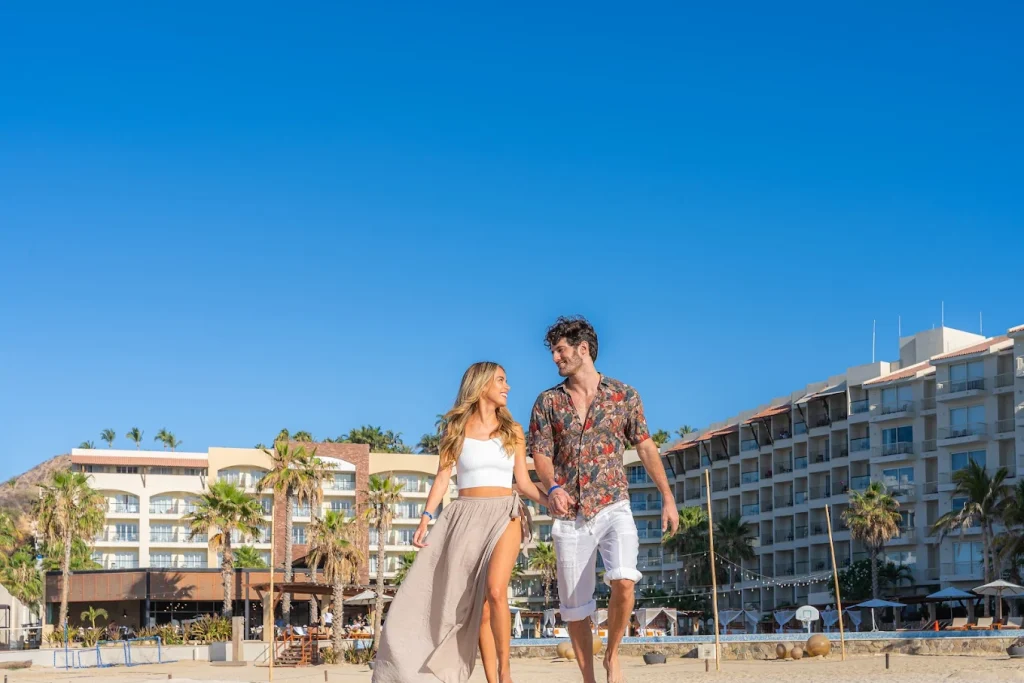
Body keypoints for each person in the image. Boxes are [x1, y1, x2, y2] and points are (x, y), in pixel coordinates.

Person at [373, 362, 549, 683]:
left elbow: (523, 483)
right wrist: (426, 517)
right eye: (500, 380)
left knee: (496, 592)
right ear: (482, 385)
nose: (507, 386)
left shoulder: (514, 431)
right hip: (464, 515)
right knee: (477, 608)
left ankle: (505, 672)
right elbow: (443, 478)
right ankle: (491, 680)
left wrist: (553, 501)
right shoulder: (455, 429)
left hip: (505, 512)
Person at [529, 316, 679, 683]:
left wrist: (668, 497)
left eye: (560, 350)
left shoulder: (624, 395)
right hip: (569, 515)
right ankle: (589, 678)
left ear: (583, 349)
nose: (555, 358)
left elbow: (645, 446)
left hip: (614, 503)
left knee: (625, 579)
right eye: (553, 351)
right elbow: (541, 455)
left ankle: (612, 657)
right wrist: (552, 488)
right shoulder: (548, 401)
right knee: (575, 608)